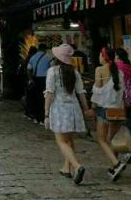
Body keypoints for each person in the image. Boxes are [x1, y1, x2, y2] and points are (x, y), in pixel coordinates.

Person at [44, 44, 92, 186]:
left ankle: (77, 166)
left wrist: (46, 113)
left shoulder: (52, 71)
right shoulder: (74, 72)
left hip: (59, 109)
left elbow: (49, 93)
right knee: (69, 140)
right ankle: (66, 168)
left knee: (61, 141)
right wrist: (86, 109)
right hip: (73, 108)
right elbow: (81, 92)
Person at [91, 48, 128, 181]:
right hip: (118, 109)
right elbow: (122, 93)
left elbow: (97, 91)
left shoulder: (99, 70)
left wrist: (92, 106)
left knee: (101, 139)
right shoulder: (119, 72)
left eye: (100, 55)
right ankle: (114, 168)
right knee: (113, 140)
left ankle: (116, 164)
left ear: (104, 57)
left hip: (105, 109)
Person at [115, 48, 131, 163]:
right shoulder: (130, 67)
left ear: (117, 56)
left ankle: (128, 149)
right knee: (130, 124)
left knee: (123, 125)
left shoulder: (118, 67)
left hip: (122, 100)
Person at [27, 43, 52, 124]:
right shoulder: (48, 57)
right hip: (44, 80)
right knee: (43, 99)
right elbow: (51, 69)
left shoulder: (33, 57)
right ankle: (42, 119)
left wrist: (30, 79)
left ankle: (36, 118)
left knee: (35, 98)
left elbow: (28, 69)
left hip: (35, 79)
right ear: (45, 49)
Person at [22, 46, 38, 118]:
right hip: (30, 79)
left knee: (28, 96)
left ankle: (27, 112)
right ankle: (30, 112)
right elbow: (30, 70)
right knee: (31, 96)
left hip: (26, 79)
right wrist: (30, 79)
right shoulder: (32, 58)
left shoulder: (27, 58)